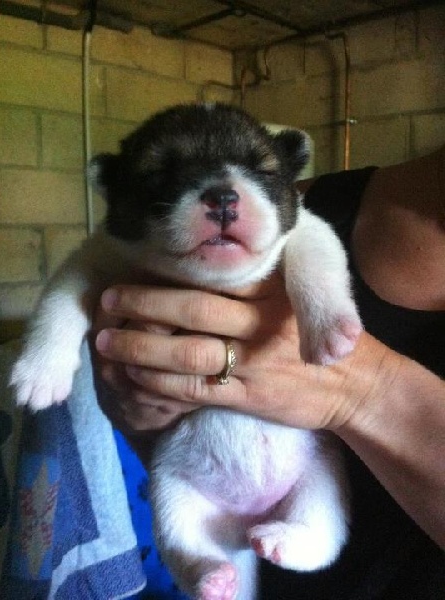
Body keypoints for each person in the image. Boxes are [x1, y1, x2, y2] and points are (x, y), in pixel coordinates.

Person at [92, 145, 445, 598]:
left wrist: (358, 391)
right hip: (239, 543)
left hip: (304, 518)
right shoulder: (285, 209)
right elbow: (158, 424)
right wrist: (148, 403)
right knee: (182, 517)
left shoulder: (298, 230)